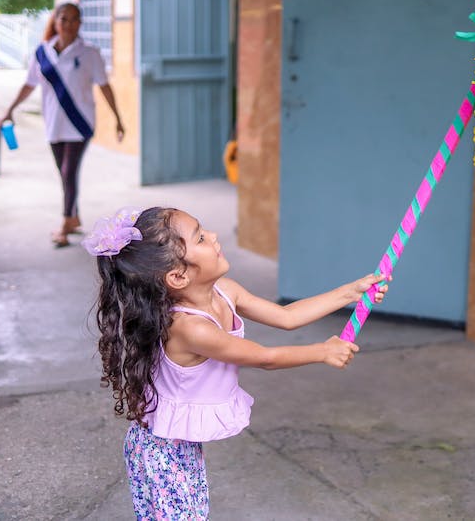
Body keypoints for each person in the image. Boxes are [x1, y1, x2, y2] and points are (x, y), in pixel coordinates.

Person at [83, 206, 389, 519]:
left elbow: (287, 316)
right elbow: (265, 358)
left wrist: (350, 292)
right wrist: (322, 351)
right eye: (201, 238)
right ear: (178, 276)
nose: (214, 236)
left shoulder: (226, 292)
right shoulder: (190, 328)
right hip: (160, 451)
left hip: (180, 442)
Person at [0, 1, 125, 248]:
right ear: (55, 21)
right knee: (65, 173)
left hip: (80, 124)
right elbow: (29, 85)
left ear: (80, 23)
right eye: (63, 19)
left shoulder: (90, 54)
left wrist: (119, 119)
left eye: (74, 19)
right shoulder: (41, 52)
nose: (68, 24)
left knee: (68, 172)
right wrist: (9, 109)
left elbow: (104, 86)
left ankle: (66, 225)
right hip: (54, 123)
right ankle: (74, 215)